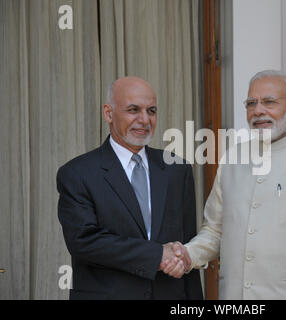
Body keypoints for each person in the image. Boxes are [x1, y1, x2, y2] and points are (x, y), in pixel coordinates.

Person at [162, 70, 286, 299]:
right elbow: (215, 231)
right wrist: (186, 254)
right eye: (251, 103)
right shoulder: (233, 159)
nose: (258, 110)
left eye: (269, 102)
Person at [56, 76, 203, 300]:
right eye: (133, 110)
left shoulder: (177, 169)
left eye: (151, 111)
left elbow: (187, 245)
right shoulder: (77, 173)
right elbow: (84, 241)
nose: (144, 119)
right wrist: (157, 255)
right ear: (108, 113)